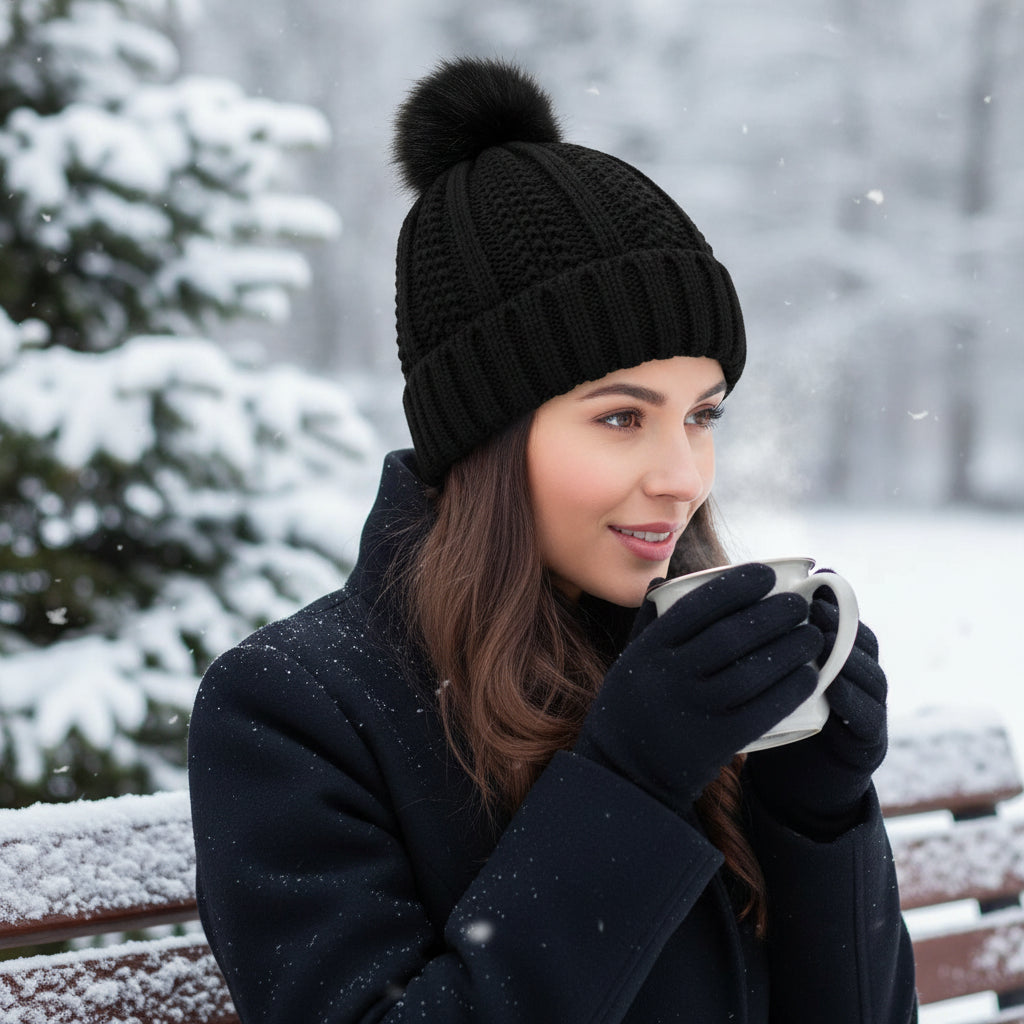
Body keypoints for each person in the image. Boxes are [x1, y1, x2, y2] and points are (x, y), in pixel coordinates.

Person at [189, 57, 918, 1023]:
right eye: (623, 418)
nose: (683, 474)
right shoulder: (295, 712)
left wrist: (814, 816)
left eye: (703, 416)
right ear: (488, 436)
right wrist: (628, 784)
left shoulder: (680, 668)